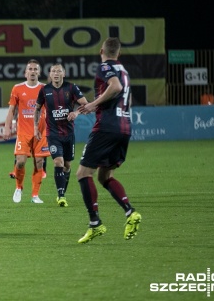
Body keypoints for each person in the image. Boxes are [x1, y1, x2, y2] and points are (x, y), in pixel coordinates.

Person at [75, 37, 142, 244]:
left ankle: (95, 224)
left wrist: (94, 104)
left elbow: (115, 87)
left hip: (106, 127)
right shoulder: (124, 70)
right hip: (124, 127)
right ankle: (130, 212)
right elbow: (127, 97)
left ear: (101, 50)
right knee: (104, 176)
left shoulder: (105, 67)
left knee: (83, 173)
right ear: (119, 53)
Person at [34, 63, 88, 207]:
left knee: (68, 165)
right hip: (52, 134)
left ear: (63, 74)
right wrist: (35, 127)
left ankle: (62, 191)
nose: (56, 73)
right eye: (53, 71)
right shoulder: (44, 90)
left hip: (68, 133)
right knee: (58, 162)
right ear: (50, 75)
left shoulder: (71, 88)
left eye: (59, 71)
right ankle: (61, 195)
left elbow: (85, 104)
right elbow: (37, 108)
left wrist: (75, 112)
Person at [3, 59, 50, 203]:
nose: (33, 71)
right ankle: (19, 187)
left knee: (40, 163)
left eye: (36, 69)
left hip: (40, 132)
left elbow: (50, 109)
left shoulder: (45, 89)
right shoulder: (17, 88)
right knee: (20, 162)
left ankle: (35, 195)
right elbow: (12, 109)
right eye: (30, 69)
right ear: (25, 73)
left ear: (39, 72)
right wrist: (7, 126)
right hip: (23, 132)